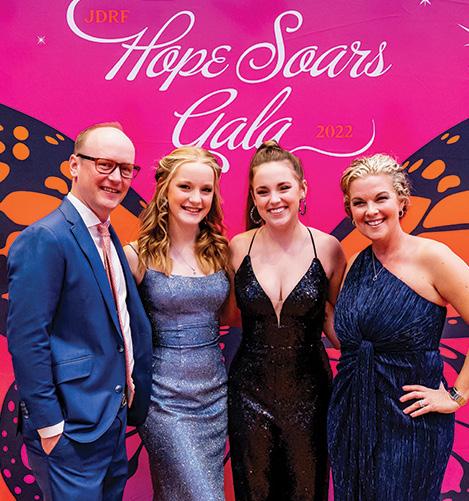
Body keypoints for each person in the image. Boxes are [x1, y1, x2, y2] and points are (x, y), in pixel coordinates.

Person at [6, 123, 153, 500]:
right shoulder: (46, 237)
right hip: (69, 431)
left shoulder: (108, 235)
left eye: (126, 169)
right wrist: (50, 427)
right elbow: (27, 340)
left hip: (110, 422)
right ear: (74, 165)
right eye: (105, 165)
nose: (116, 178)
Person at [327, 153, 469, 500]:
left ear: (402, 201)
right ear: (350, 211)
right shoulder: (357, 263)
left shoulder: (432, 257)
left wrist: (456, 396)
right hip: (352, 419)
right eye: (359, 203)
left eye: (381, 198)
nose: (371, 211)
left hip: (411, 423)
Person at [228, 140, 346, 500]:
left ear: (302, 189)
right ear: (253, 197)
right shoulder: (237, 247)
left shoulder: (328, 248)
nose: (274, 199)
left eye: (284, 188)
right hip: (248, 392)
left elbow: (338, 323)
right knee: (253, 492)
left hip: (311, 394)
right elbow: (228, 315)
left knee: (308, 492)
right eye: (263, 191)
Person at [124, 146, 231, 501]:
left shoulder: (221, 252)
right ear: (164, 189)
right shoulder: (136, 255)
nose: (196, 199)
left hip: (214, 396)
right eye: (185, 187)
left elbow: (233, 315)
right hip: (163, 400)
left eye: (206, 190)